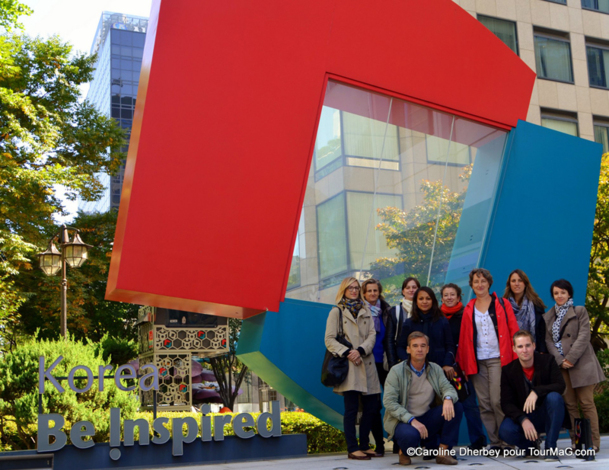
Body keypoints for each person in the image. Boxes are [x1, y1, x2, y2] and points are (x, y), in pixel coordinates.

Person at [456, 268, 519, 451]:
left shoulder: (502, 303)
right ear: (472, 285)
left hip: (499, 359)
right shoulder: (468, 308)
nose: (480, 284)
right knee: (483, 404)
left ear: (489, 283)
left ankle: (507, 440)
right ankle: (495, 443)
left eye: (483, 281)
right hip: (477, 362)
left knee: (497, 401)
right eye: (476, 281)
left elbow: (514, 330)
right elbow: (464, 339)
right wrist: (464, 366)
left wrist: (515, 359)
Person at [384, 331, 463, 466]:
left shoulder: (435, 369)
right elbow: (389, 402)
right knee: (410, 437)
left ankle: (443, 453)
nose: (419, 349)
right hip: (404, 421)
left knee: (456, 406)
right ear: (408, 349)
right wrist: (411, 420)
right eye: (415, 346)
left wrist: (448, 398)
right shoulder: (396, 371)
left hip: (427, 418)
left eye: (422, 346)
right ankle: (404, 452)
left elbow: (448, 388)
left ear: (428, 349)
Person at [544, 279, 605, 453]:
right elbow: (548, 341)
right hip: (562, 366)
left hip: (582, 364)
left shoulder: (579, 311)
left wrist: (570, 358)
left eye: (563, 292)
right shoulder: (549, 316)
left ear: (569, 293)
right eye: (556, 293)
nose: (559, 296)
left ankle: (593, 442)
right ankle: (577, 441)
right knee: (570, 405)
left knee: (586, 403)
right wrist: (560, 360)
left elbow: (584, 336)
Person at [324, 277, 381, 460]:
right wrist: (349, 352)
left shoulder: (366, 310)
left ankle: (364, 444)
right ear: (344, 290)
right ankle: (352, 448)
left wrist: (362, 350)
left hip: (367, 362)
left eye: (357, 288)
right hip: (350, 365)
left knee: (372, 407)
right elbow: (329, 339)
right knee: (351, 409)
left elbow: (372, 334)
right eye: (351, 288)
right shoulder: (336, 312)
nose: (354, 291)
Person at [498, 330, 565, 461]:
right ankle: (530, 447)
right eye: (520, 346)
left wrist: (536, 391)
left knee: (555, 397)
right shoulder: (508, 370)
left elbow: (560, 385)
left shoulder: (548, 361)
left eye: (528, 345)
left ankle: (550, 448)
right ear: (514, 349)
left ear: (534, 346)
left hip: (545, 414)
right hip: (525, 416)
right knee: (505, 431)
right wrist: (523, 419)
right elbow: (506, 403)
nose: (525, 350)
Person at [440, 283, 487, 451]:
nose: (449, 297)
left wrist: (465, 366)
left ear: (459, 297)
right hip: (442, 369)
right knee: (443, 404)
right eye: (446, 295)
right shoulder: (438, 317)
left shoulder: (466, 314)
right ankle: (444, 444)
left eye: (452, 294)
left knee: (468, 403)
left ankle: (478, 440)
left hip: (460, 369)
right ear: (442, 298)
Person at [362, 278, 397, 457]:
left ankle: (398, 442)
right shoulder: (359, 312)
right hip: (367, 364)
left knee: (393, 402)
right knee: (373, 406)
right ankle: (379, 445)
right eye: (369, 291)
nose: (373, 294)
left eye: (375, 290)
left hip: (384, 363)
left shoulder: (387, 311)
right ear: (364, 293)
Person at [398, 287, 455, 372]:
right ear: (416, 302)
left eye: (428, 298)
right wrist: (409, 364)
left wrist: (447, 363)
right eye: (421, 299)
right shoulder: (409, 323)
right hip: (416, 371)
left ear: (433, 301)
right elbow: (400, 347)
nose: (424, 301)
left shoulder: (442, 321)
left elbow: (450, 345)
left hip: (440, 369)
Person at [503, 270, 547, 353]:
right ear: (509, 284)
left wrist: (542, 351)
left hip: (532, 352)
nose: (517, 284)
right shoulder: (503, 306)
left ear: (525, 283)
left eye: (520, 280)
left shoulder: (536, 304)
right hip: (509, 351)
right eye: (513, 281)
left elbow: (542, 331)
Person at [389, 277, 421, 345]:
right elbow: (389, 339)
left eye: (414, 287)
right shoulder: (395, 311)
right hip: (400, 352)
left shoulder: (424, 310)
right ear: (403, 291)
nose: (411, 290)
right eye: (408, 288)